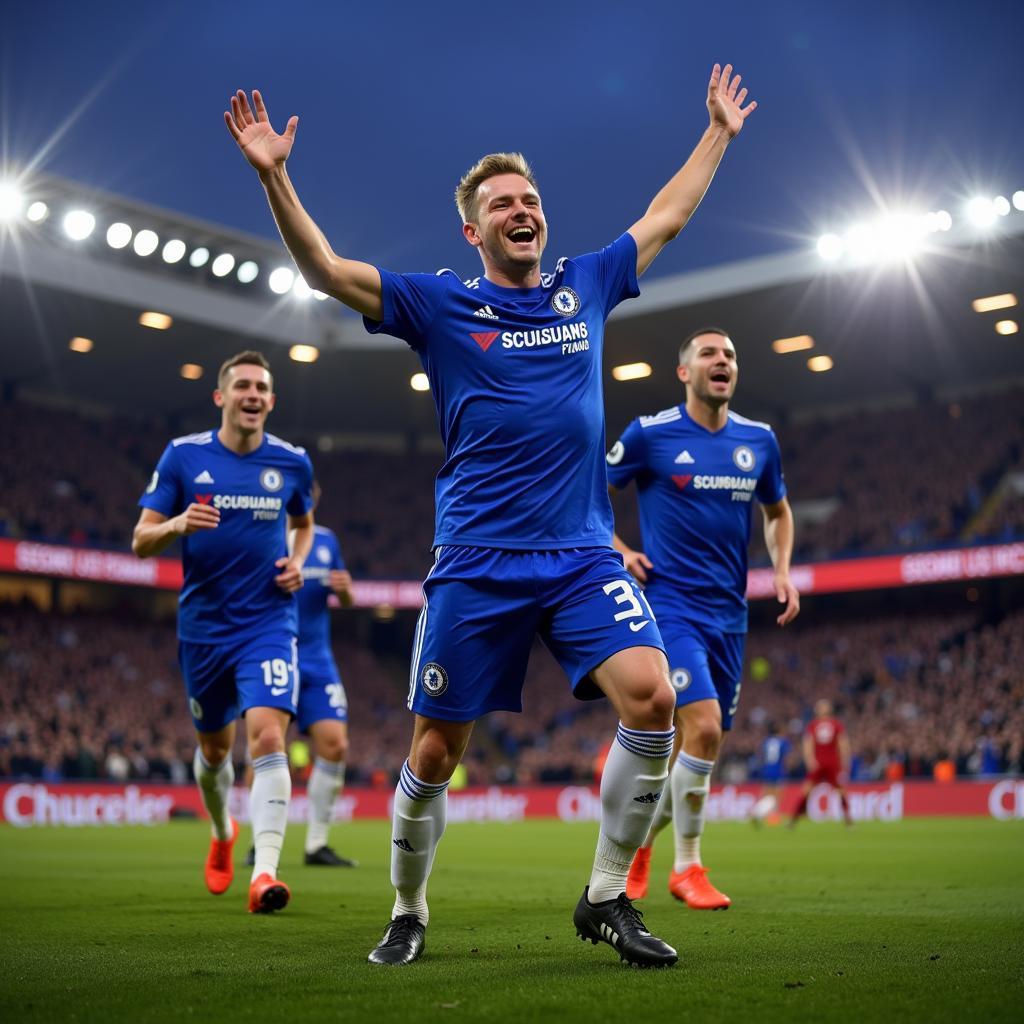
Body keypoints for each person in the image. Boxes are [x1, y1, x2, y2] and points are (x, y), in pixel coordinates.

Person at [225, 62, 757, 968]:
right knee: (434, 753)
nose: (524, 210)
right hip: (476, 560)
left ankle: (604, 897)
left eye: (533, 198)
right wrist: (275, 173)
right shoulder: (440, 303)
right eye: (504, 202)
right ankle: (407, 909)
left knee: (656, 699)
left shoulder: (584, 285)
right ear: (472, 228)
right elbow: (323, 270)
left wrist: (717, 133)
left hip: (585, 555)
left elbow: (664, 215)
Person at [607, 327, 799, 910]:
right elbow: (589, 493)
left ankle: (638, 846)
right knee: (706, 728)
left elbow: (779, 512)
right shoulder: (651, 434)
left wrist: (783, 568)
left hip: (730, 617)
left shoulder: (758, 441)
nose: (724, 362)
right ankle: (686, 867)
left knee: (699, 747)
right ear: (685, 373)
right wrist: (619, 550)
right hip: (670, 606)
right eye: (710, 354)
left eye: (731, 355)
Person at [132, 351, 314, 913]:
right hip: (204, 630)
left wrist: (297, 560)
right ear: (222, 397)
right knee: (215, 753)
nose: (253, 394)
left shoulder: (292, 463)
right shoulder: (184, 457)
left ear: (271, 401)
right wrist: (179, 522)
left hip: (268, 621)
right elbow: (140, 540)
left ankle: (264, 873)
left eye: (262, 387)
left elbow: (303, 523)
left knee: (267, 738)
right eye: (242, 386)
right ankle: (221, 830)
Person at [789, 699, 853, 826]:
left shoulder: (836, 725)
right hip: (818, 763)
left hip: (833, 763)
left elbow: (843, 744)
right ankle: (794, 820)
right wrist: (810, 760)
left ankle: (848, 820)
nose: (821, 709)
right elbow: (808, 744)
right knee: (806, 791)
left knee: (841, 791)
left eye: (824, 706)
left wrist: (845, 761)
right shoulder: (813, 725)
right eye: (820, 707)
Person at [750, 724, 792, 827]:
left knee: (766, 794)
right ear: (779, 731)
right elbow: (786, 758)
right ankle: (772, 817)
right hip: (778, 769)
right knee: (777, 796)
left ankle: (762, 814)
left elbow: (761, 755)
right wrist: (786, 769)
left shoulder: (766, 741)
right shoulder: (783, 741)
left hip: (766, 769)